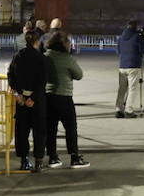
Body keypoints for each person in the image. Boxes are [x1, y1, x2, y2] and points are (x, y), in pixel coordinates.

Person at [44, 32, 90, 169]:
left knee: (50, 128)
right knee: (70, 128)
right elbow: (79, 75)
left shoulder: (45, 56)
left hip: (48, 96)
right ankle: (74, 157)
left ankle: (52, 157)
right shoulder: (67, 58)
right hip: (64, 96)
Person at [9, 31, 49, 171]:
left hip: (21, 98)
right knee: (39, 131)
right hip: (36, 100)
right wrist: (34, 98)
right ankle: (38, 160)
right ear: (37, 41)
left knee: (22, 131)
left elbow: (11, 75)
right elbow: (42, 80)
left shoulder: (18, 56)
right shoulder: (41, 58)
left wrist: (17, 94)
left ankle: (24, 159)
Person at [115, 20, 144, 118]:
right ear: (135, 27)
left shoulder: (121, 38)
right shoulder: (137, 37)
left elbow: (118, 51)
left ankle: (118, 109)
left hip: (122, 66)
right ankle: (129, 110)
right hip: (133, 65)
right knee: (132, 89)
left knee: (122, 89)